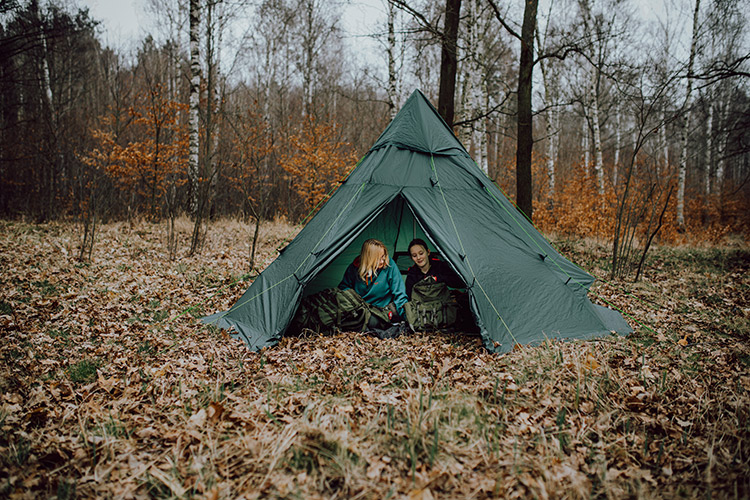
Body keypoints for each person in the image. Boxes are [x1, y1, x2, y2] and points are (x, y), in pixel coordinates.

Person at [339, 238, 408, 320]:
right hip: (362, 311)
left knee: (372, 321)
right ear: (369, 259)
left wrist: (406, 316)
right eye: (378, 259)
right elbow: (343, 290)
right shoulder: (354, 269)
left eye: (383, 256)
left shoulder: (389, 264)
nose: (382, 261)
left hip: (383, 310)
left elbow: (400, 293)